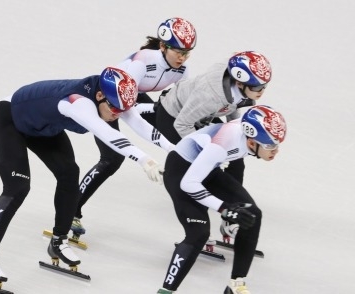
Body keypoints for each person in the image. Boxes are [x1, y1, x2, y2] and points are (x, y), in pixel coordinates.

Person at [0, 67, 169, 286]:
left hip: (43, 127)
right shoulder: (77, 102)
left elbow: (141, 125)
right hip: (11, 120)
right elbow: (109, 135)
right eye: (113, 108)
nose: (117, 114)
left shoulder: (115, 99)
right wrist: (145, 160)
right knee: (17, 188)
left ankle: (58, 241)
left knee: (69, 174)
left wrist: (177, 150)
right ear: (100, 95)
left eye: (122, 110)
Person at [71, 17, 197, 237]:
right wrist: (155, 111)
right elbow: (125, 106)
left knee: (172, 131)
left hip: (133, 97)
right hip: (109, 99)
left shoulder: (182, 71)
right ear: (162, 46)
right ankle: (72, 211)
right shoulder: (143, 62)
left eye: (187, 52)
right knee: (112, 159)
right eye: (177, 51)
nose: (182, 57)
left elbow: (181, 105)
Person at [156, 105, 287, 294]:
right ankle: (166, 291)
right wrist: (225, 209)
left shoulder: (246, 133)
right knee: (199, 234)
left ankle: (236, 284)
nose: (275, 151)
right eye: (270, 146)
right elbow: (189, 184)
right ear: (252, 143)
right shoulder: (223, 144)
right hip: (181, 174)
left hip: (206, 169)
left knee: (252, 214)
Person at [155, 51, 272, 244]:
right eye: (258, 86)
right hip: (174, 116)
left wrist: (238, 132)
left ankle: (230, 220)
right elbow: (182, 125)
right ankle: (197, 227)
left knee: (237, 162)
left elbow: (233, 105)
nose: (262, 91)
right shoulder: (211, 96)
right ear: (240, 83)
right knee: (203, 172)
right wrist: (208, 155)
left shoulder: (237, 83)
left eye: (265, 85)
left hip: (202, 116)